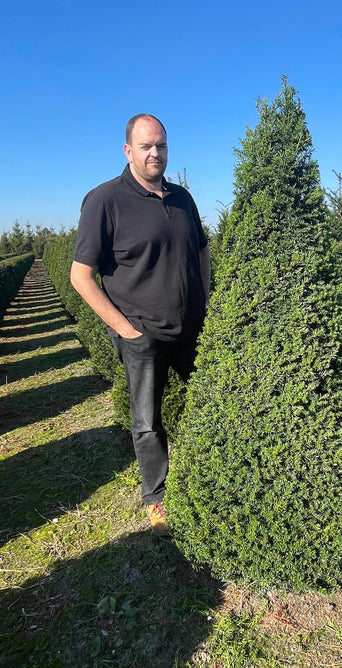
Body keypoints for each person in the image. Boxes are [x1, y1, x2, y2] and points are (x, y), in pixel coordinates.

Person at [70, 114, 211, 534]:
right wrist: (127, 330)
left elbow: (201, 253)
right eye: (147, 145)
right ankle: (157, 498)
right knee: (147, 420)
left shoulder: (183, 198)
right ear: (128, 150)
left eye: (162, 145)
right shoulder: (105, 200)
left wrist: (206, 306)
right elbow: (81, 276)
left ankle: (217, 471)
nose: (155, 153)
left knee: (215, 394)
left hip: (192, 330)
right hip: (142, 335)